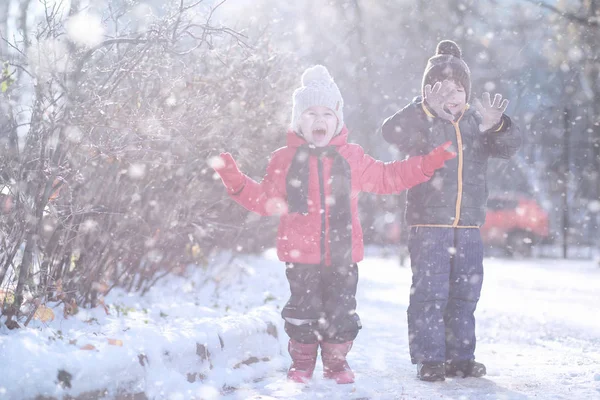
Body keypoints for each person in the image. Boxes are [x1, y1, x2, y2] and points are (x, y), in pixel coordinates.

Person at [212, 65, 455, 384]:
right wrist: (232, 176)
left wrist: (427, 164)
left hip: (343, 255)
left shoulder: (351, 157)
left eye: (326, 113)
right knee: (302, 313)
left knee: (341, 315)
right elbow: (264, 200)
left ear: (337, 119)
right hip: (301, 257)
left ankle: (336, 362)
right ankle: (301, 361)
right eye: (310, 113)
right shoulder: (285, 159)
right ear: (299, 120)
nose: (319, 120)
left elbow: (387, 177)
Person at [381, 40, 522, 382]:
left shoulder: (477, 122)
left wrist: (496, 126)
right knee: (430, 293)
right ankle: (430, 358)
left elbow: (508, 147)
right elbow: (390, 131)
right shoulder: (422, 120)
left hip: (469, 227)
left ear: (467, 92)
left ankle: (460, 356)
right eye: (443, 87)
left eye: (459, 87)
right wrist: (424, 110)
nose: (452, 93)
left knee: (465, 293)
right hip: (429, 225)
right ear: (429, 91)